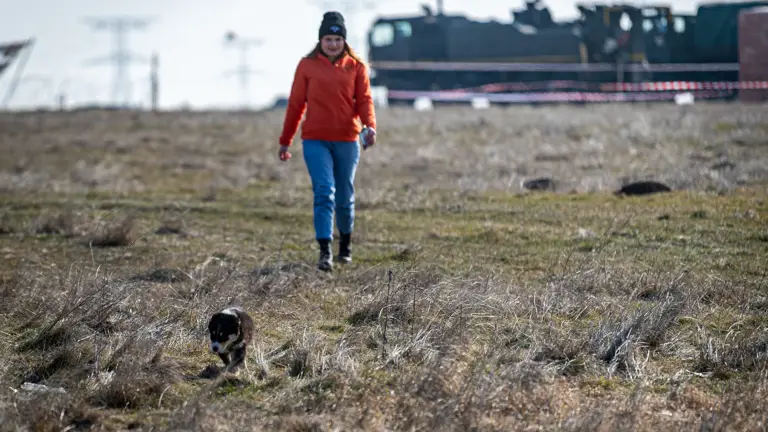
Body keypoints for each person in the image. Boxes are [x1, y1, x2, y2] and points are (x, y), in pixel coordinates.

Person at [278, 11, 377, 272]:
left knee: (344, 196)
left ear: (343, 40)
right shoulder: (306, 66)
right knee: (324, 193)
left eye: (337, 39)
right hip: (315, 140)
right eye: (328, 39)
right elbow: (296, 105)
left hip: (347, 139)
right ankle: (325, 253)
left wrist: (370, 126)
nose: (332, 44)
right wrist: (286, 141)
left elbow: (365, 100)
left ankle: (345, 245)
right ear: (320, 40)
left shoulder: (356, 67)